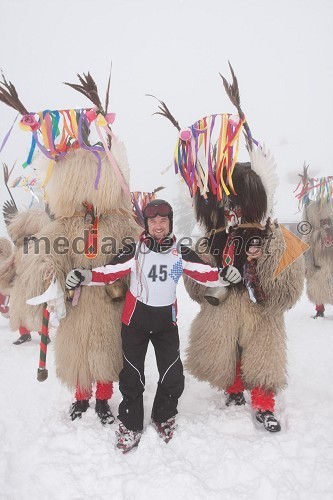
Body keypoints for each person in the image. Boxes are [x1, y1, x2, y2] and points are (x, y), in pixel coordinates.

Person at [65, 199, 242, 453]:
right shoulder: (135, 249)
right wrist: (85, 275)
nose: (158, 226)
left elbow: (203, 272)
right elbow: (109, 272)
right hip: (134, 323)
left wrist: (224, 275)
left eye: (163, 220)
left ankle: (163, 416)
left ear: (169, 222)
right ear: (146, 224)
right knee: (132, 378)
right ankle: (130, 424)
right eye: (153, 221)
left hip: (165, 324)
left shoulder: (180, 250)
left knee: (173, 377)